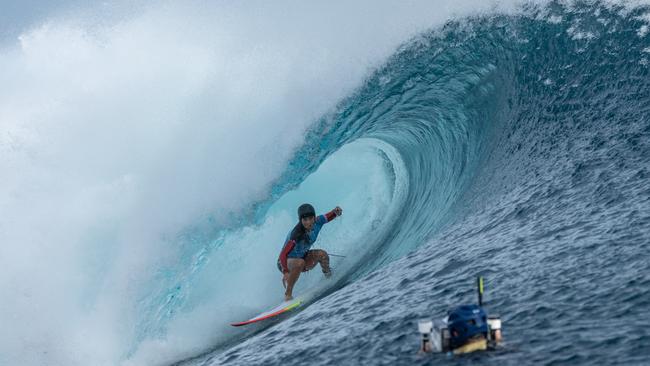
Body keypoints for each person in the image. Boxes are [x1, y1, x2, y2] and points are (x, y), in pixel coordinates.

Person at [277, 203, 343, 301]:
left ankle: (329, 278)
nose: (308, 222)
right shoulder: (296, 234)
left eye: (310, 218)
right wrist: (285, 271)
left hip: (303, 258)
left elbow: (331, 215)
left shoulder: (318, 221)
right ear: (301, 220)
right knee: (300, 262)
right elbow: (283, 255)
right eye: (305, 220)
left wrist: (336, 212)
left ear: (314, 218)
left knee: (322, 254)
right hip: (285, 262)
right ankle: (288, 294)